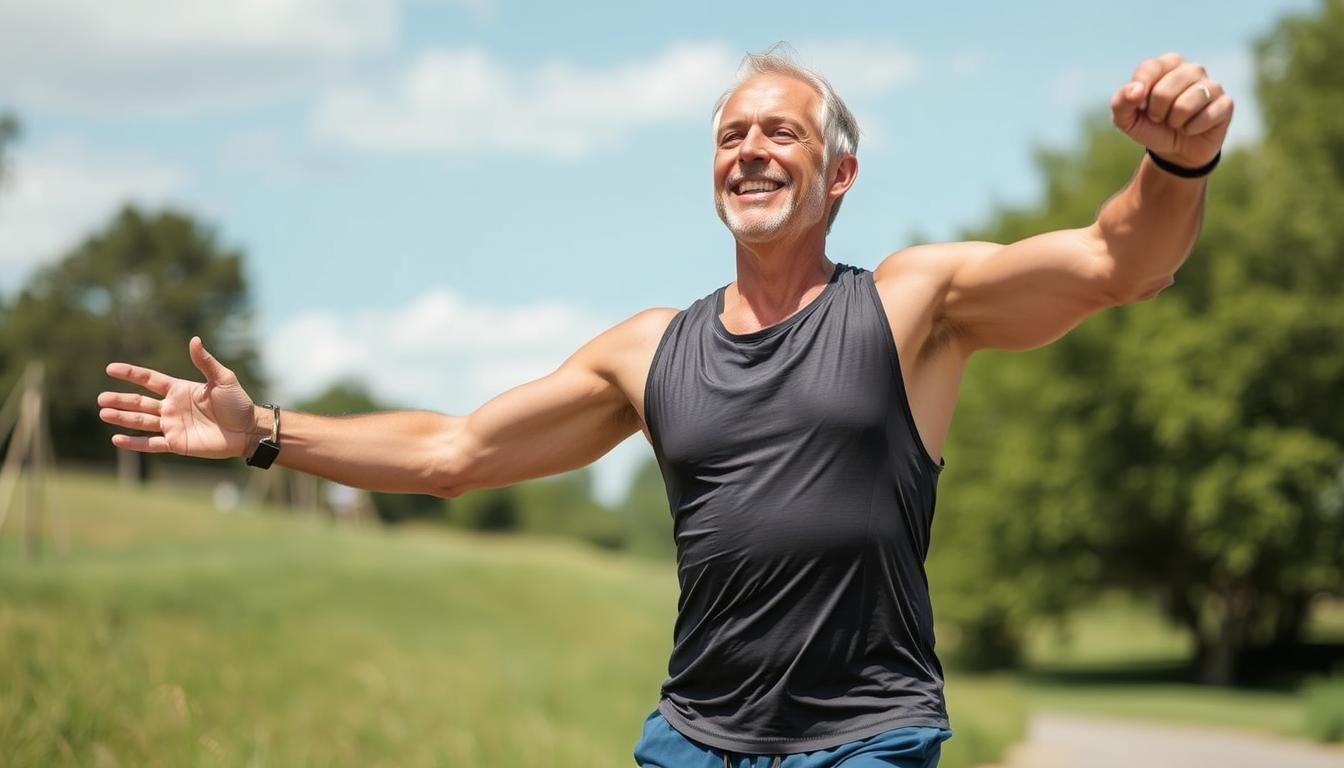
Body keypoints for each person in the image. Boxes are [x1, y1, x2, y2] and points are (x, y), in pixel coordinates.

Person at [99, 47, 1233, 768]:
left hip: (866, 737)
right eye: (731, 134)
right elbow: (452, 451)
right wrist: (269, 436)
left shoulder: (911, 304)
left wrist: (1174, 169)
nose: (749, 149)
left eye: (780, 131)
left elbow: (1112, 261)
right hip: (690, 740)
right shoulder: (651, 351)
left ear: (839, 176)